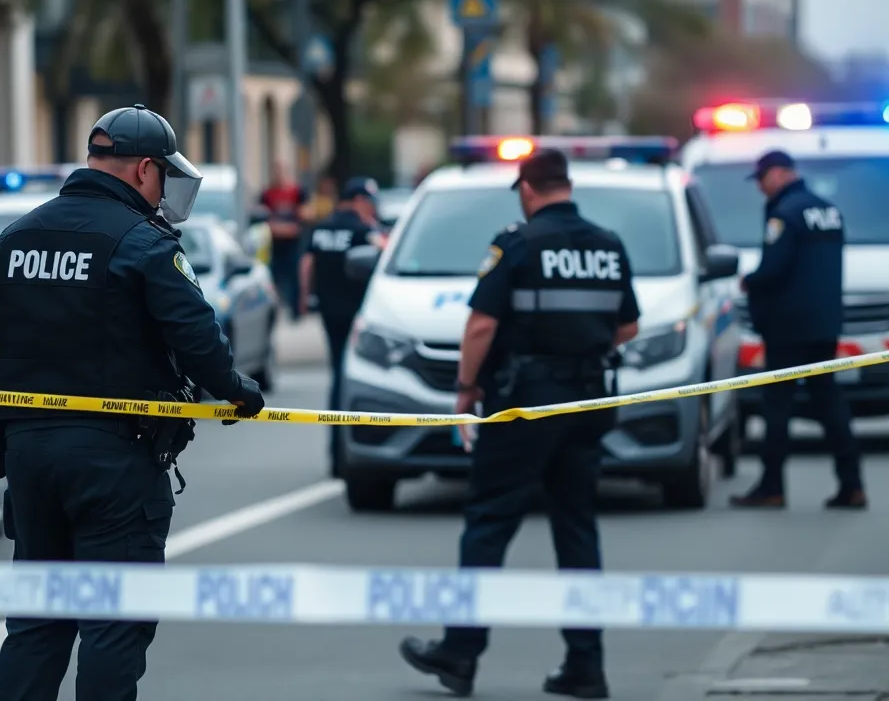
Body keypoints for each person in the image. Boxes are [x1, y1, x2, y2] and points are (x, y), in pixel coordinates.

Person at [0, 103, 266, 701]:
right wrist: (238, 392)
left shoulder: (18, 236)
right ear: (145, 169)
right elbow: (198, 340)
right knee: (112, 623)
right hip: (115, 460)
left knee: (36, 624)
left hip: (29, 454)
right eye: (163, 175)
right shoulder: (143, 241)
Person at [398, 148, 640, 699]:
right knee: (577, 528)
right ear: (567, 185)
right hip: (587, 402)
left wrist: (466, 388)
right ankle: (586, 665)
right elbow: (628, 326)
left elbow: (481, 324)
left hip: (525, 404)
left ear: (528, 190)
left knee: (489, 522)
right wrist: (581, 343)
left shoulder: (518, 242)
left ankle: (460, 652)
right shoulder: (608, 245)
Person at [731, 149, 867, 510]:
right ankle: (852, 484)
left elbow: (774, 268)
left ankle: (771, 488)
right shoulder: (828, 211)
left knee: (777, 405)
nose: (760, 188)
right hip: (824, 324)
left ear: (778, 174)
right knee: (830, 401)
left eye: (762, 179)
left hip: (787, 327)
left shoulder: (785, 213)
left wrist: (749, 282)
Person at [299, 176, 387, 476]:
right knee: (352, 379)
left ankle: (336, 452)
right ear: (360, 200)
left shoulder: (322, 228)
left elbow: (307, 264)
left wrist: (305, 298)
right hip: (357, 315)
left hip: (328, 312)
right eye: (370, 203)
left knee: (337, 375)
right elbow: (383, 254)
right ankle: (347, 452)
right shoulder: (363, 230)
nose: (372, 209)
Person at [260, 161, 309, 318]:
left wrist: (284, 229)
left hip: (293, 245)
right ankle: (276, 309)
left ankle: (295, 311)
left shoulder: (297, 192)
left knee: (294, 277)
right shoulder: (267, 194)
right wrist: (281, 229)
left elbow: (305, 216)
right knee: (273, 277)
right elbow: (264, 219)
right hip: (274, 246)